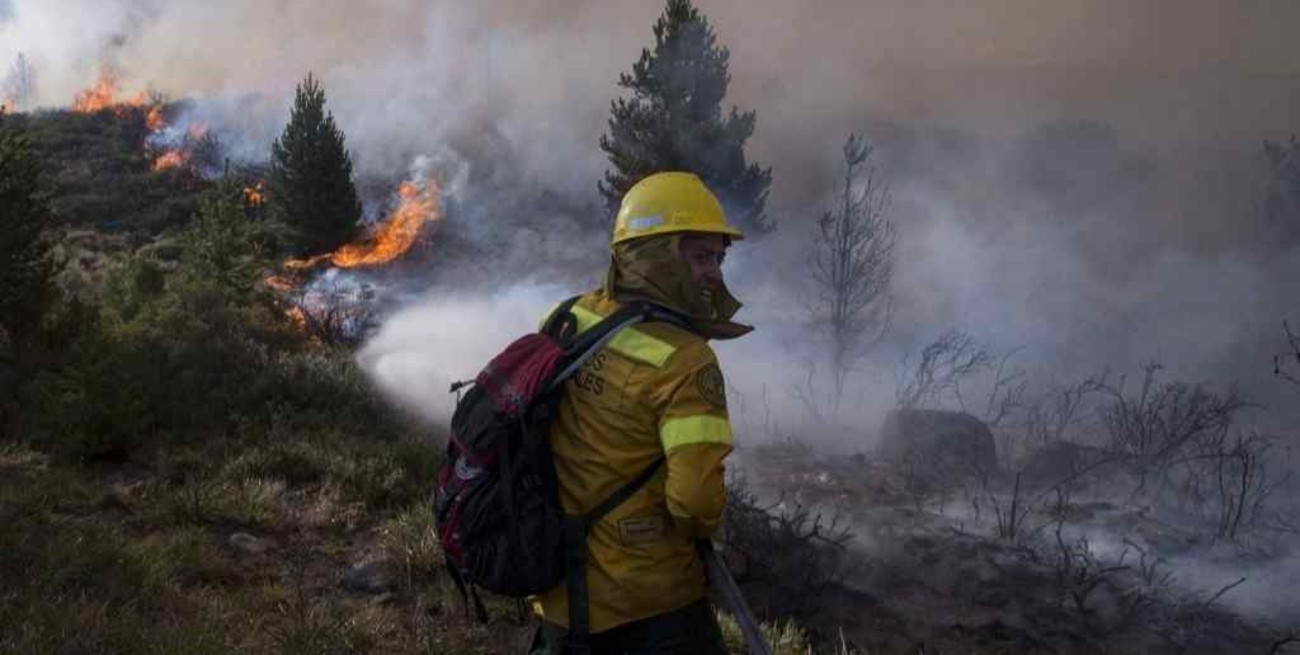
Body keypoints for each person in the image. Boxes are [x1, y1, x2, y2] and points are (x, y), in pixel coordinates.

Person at [528, 172, 752, 654]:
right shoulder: (686, 361)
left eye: (717, 256)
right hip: (650, 608)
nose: (713, 272)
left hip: (557, 596)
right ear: (656, 257)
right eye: (699, 256)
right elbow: (695, 506)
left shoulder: (568, 317)